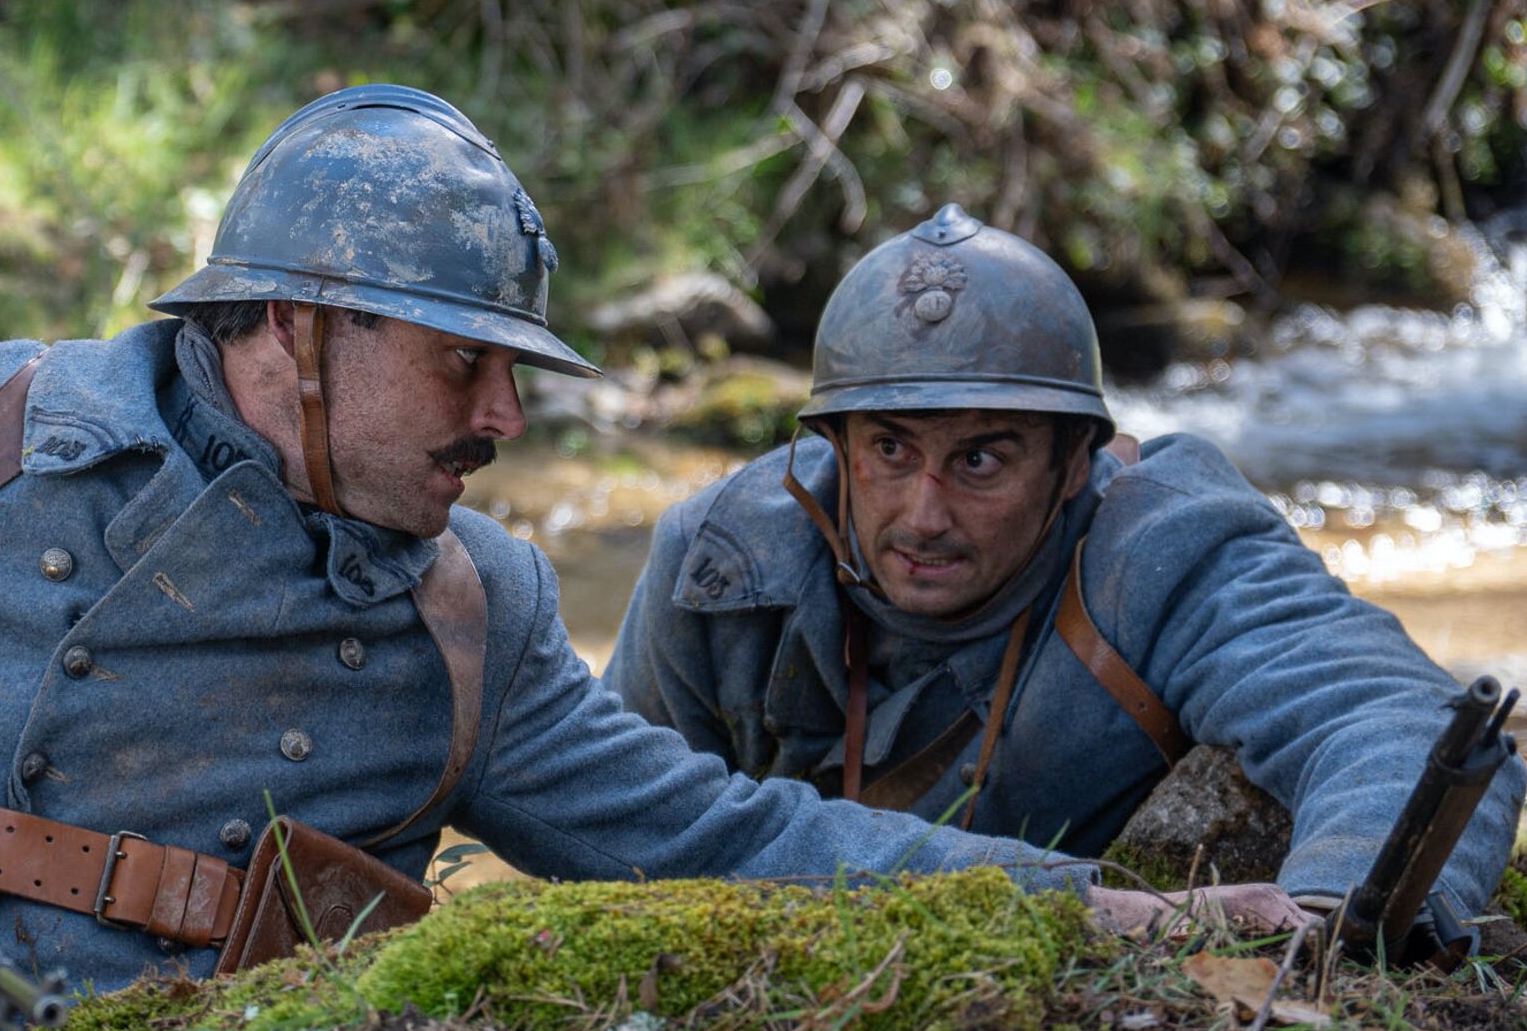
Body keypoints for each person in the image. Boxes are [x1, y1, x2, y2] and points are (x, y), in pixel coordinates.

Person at [0, 91, 1297, 1031]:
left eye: (514, 373)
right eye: (464, 365)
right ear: (298, 331)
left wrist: (1113, 914)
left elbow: (738, 842)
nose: (504, 420)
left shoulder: (479, 613)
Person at [606, 203, 1523, 930]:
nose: (924, 514)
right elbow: (616, 817)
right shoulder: (724, 566)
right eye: (890, 449)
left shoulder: (1161, 546)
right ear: (836, 446)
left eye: (980, 460)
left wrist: (1340, 912)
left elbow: (1392, 721)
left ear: (1076, 462)